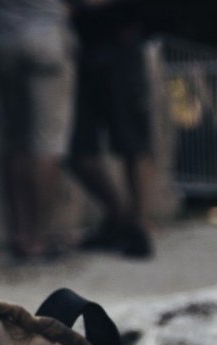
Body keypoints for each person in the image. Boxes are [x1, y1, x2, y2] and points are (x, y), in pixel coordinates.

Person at [0, 0, 76, 260]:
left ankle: (19, 235)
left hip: (0, 43)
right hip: (45, 42)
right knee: (47, 143)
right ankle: (38, 237)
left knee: (15, 140)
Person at [68, 0, 155, 258]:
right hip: (80, 51)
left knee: (132, 142)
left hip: (121, 46)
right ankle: (122, 220)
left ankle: (137, 226)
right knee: (77, 151)